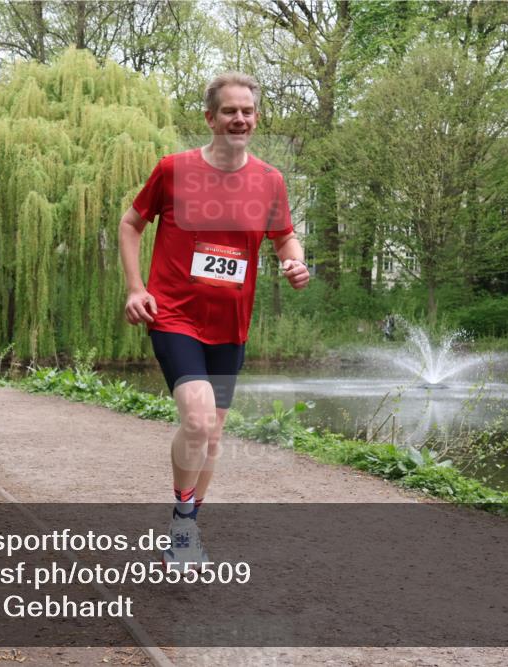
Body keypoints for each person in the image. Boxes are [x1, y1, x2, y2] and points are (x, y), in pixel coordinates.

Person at [118, 72, 309, 570]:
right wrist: (137, 288)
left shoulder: (270, 181)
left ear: (256, 119)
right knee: (198, 420)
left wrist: (294, 260)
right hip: (175, 315)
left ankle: (185, 529)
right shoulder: (174, 170)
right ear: (210, 117)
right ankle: (183, 526)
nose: (239, 119)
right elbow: (131, 223)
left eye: (247, 111)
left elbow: (284, 236)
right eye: (229, 111)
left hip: (231, 326)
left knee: (214, 435)